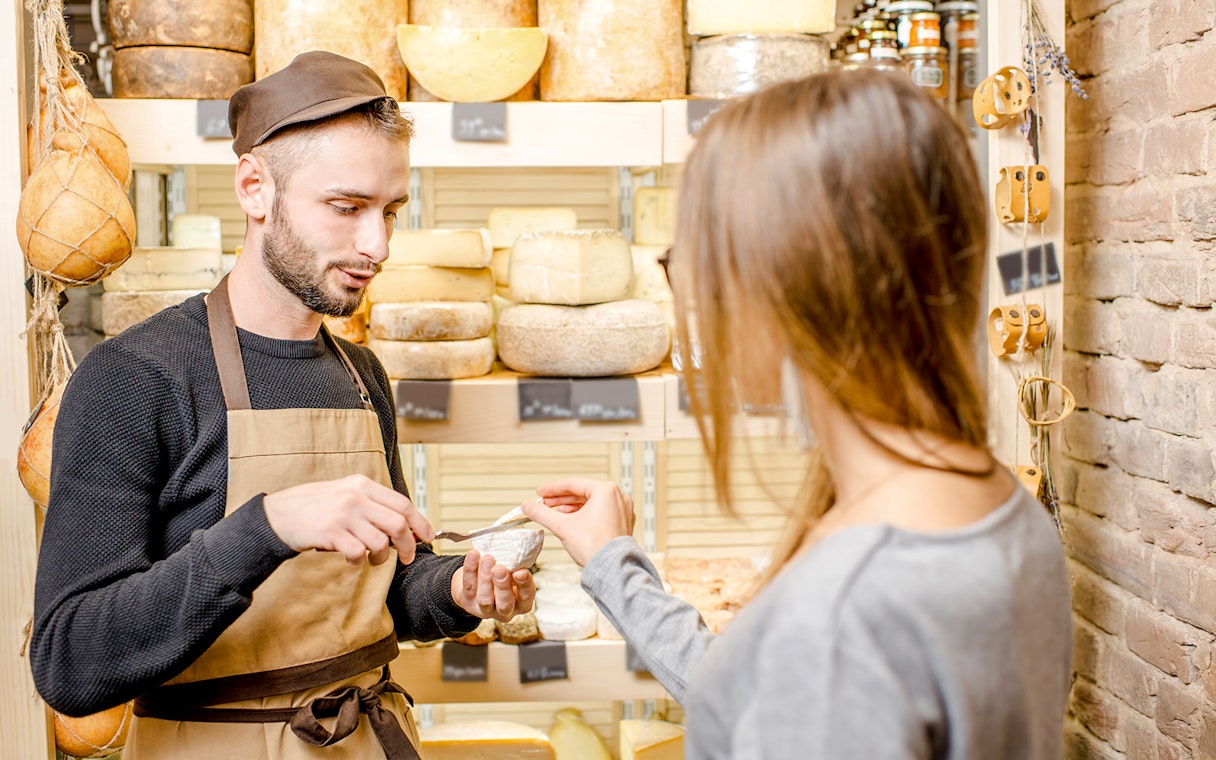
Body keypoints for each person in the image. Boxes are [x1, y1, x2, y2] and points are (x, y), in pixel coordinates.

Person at [522, 69, 1073, 759]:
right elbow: (768, 695)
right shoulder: (1001, 507)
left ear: (784, 284)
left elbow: (812, 668)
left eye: (689, 261)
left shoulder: (837, 616)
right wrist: (614, 565)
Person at [31, 51, 535, 759]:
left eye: (391, 211)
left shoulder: (361, 374)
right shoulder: (135, 379)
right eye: (347, 207)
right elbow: (70, 662)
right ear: (254, 189)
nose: (378, 245)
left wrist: (456, 590)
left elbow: (379, 597)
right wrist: (266, 526)